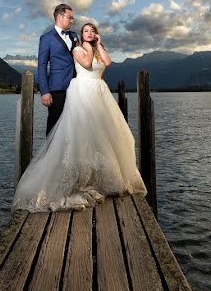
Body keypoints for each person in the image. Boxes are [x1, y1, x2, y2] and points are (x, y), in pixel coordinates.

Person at [13, 22, 146, 212]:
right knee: (80, 133)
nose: (90, 33)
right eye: (86, 31)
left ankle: (98, 176)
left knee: (103, 135)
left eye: (92, 31)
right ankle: (72, 178)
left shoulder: (98, 48)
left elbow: (107, 63)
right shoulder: (77, 49)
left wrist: (98, 45)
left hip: (99, 91)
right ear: (82, 35)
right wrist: (87, 47)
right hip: (82, 90)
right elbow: (87, 64)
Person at [37, 3, 78, 136]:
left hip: (76, 86)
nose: (72, 20)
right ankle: (50, 155)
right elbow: (42, 66)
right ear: (60, 16)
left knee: (73, 126)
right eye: (70, 17)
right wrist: (44, 91)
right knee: (54, 125)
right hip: (57, 88)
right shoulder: (46, 38)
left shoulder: (74, 35)